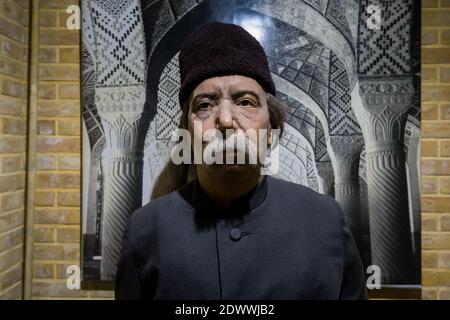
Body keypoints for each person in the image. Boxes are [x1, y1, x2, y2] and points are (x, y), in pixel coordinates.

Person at [115, 22, 368, 300]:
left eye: (245, 102)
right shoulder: (146, 230)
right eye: (204, 105)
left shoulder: (324, 220)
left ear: (271, 127)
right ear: (187, 131)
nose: (225, 120)